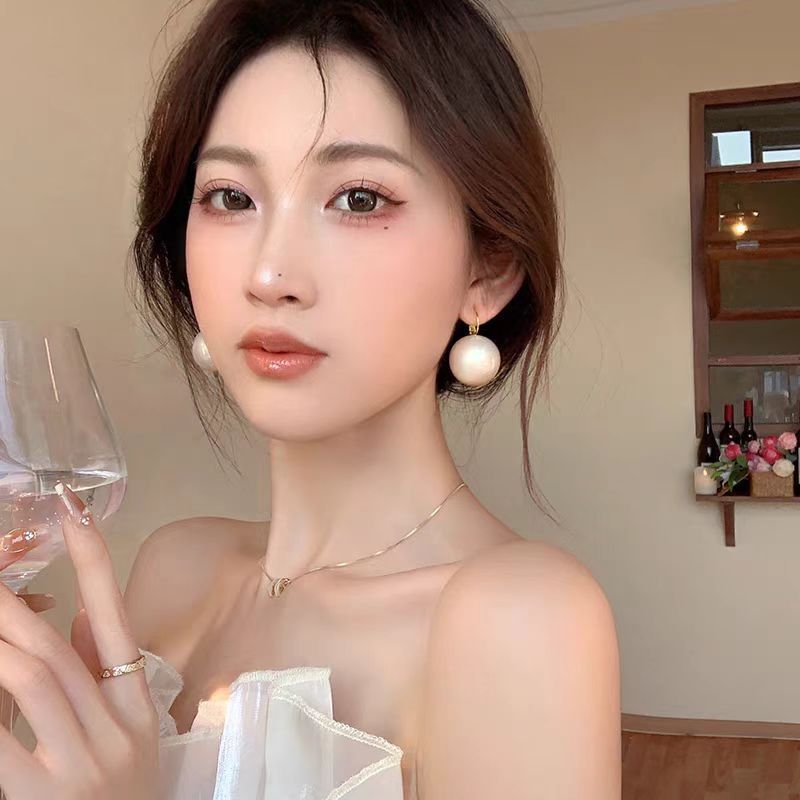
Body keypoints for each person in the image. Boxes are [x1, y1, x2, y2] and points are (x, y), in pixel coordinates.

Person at [0, 0, 621, 797]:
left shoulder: (523, 618)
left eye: (358, 199)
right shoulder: (172, 567)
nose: (269, 275)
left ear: (488, 269)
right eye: (230, 197)